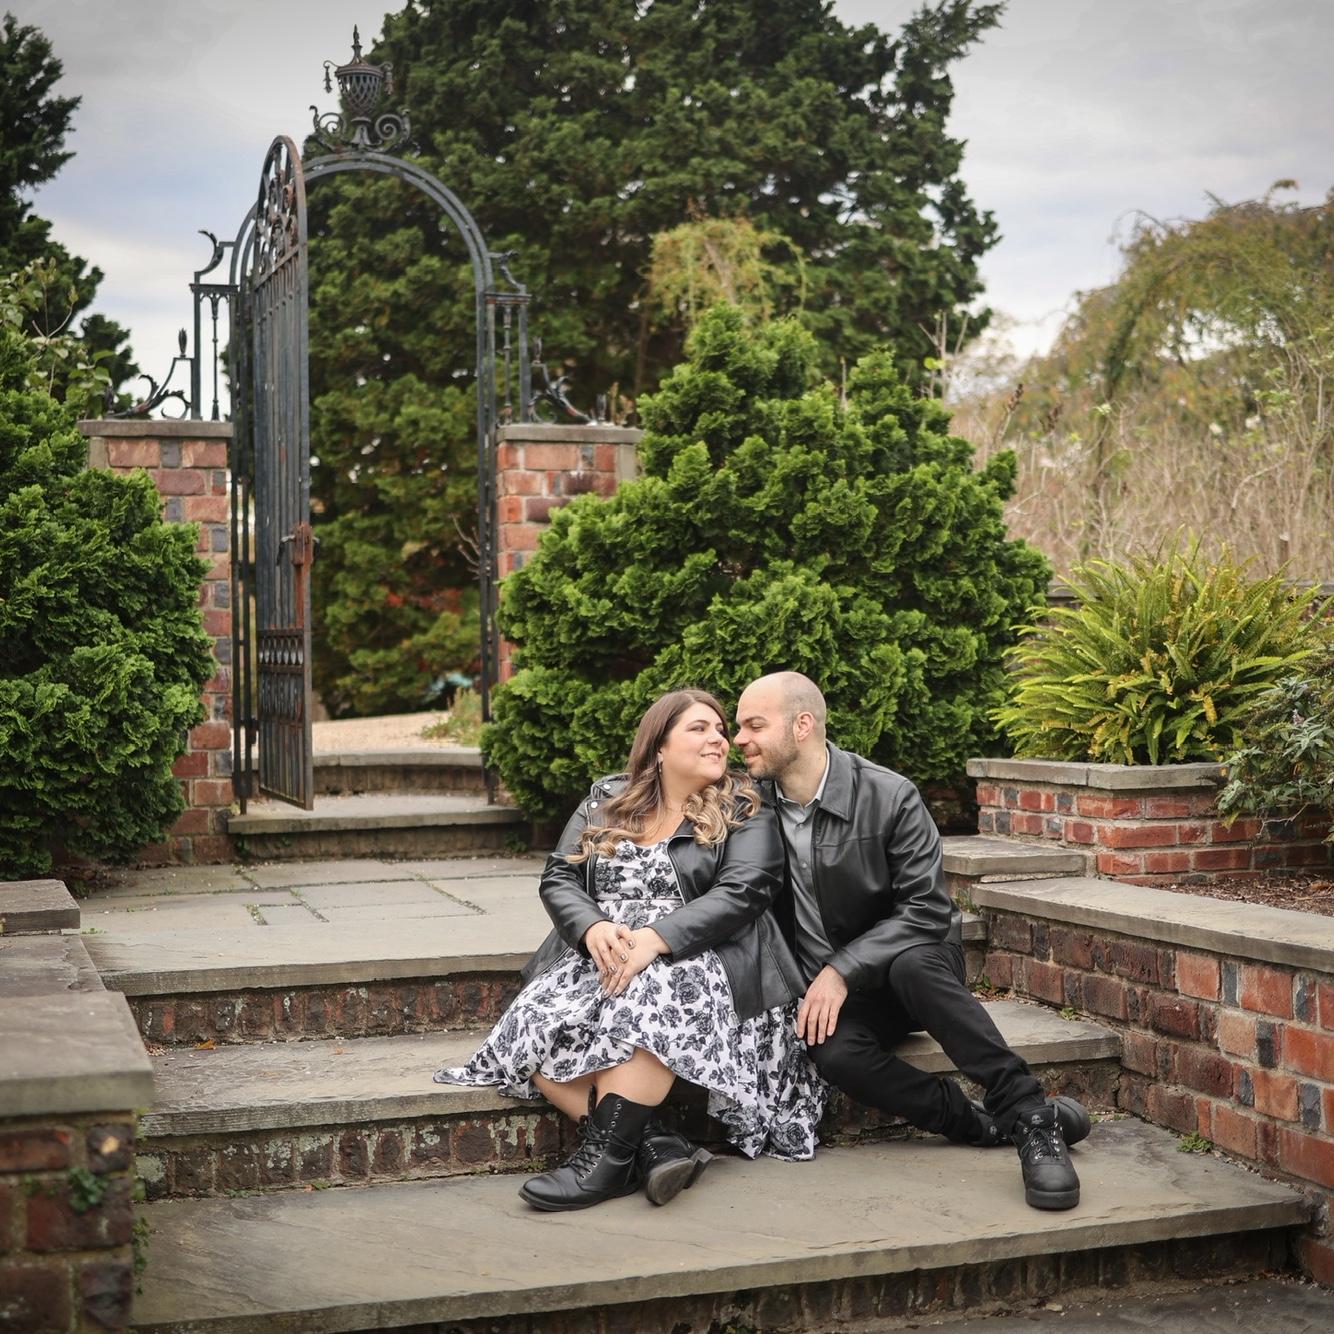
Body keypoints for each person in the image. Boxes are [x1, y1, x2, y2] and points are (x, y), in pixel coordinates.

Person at [435, 687, 823, 1211]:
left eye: (720, 729)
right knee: (537, 1023)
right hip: (607, 952)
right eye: (699, 728)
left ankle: (606, 1161)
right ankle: (653, 1144)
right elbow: (559, 876)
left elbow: (745, 891)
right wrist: (592, 926)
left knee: (653, 990)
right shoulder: (607, 798)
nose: (718, 739)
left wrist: (654, 940)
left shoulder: (744, 805)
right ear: (659, 746)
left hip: (705, 957)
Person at [733, 671, 1090, 1211]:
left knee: (912, 966)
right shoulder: (749, 808)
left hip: (914, 967)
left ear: (802, 725)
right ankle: (982, 1125)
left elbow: (926, 909)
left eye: (754, 725)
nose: (740, 739)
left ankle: (1032, 1115)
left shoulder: (889, 794)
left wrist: (842, 969)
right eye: (739, 727)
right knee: (834, 1053)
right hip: (840, 995)